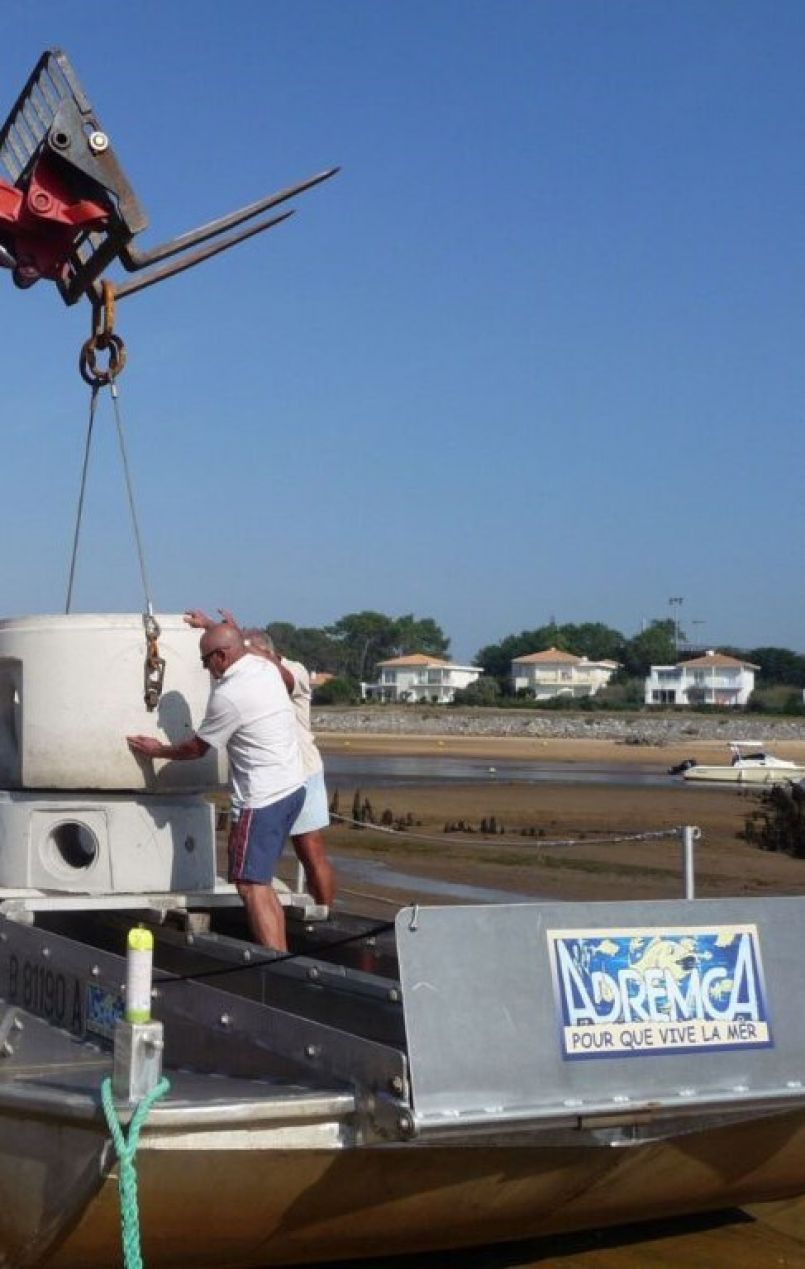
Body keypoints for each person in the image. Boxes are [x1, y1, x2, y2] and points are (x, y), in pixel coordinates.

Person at [127, 622, 304, 950]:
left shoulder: (230, 694)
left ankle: (276, 961)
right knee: (259, 882)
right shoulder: (263, 666)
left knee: (250, 885)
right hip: (292, 786)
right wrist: (213, 625)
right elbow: (248, 648)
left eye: (205, 660)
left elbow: (197, 749)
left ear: (221, 657)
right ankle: (282, 953)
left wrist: (158, 750)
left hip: (263, 797)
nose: (206, 668)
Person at [184, 609, 335, 908]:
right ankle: (246, 908)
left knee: (310, 851)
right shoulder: (248, 671)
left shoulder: (291, 671)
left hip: (301, 771)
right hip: (263, 777)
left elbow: (273, 671)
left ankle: (326, 911)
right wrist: (217, 631)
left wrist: (226, 633)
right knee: (244, 855)